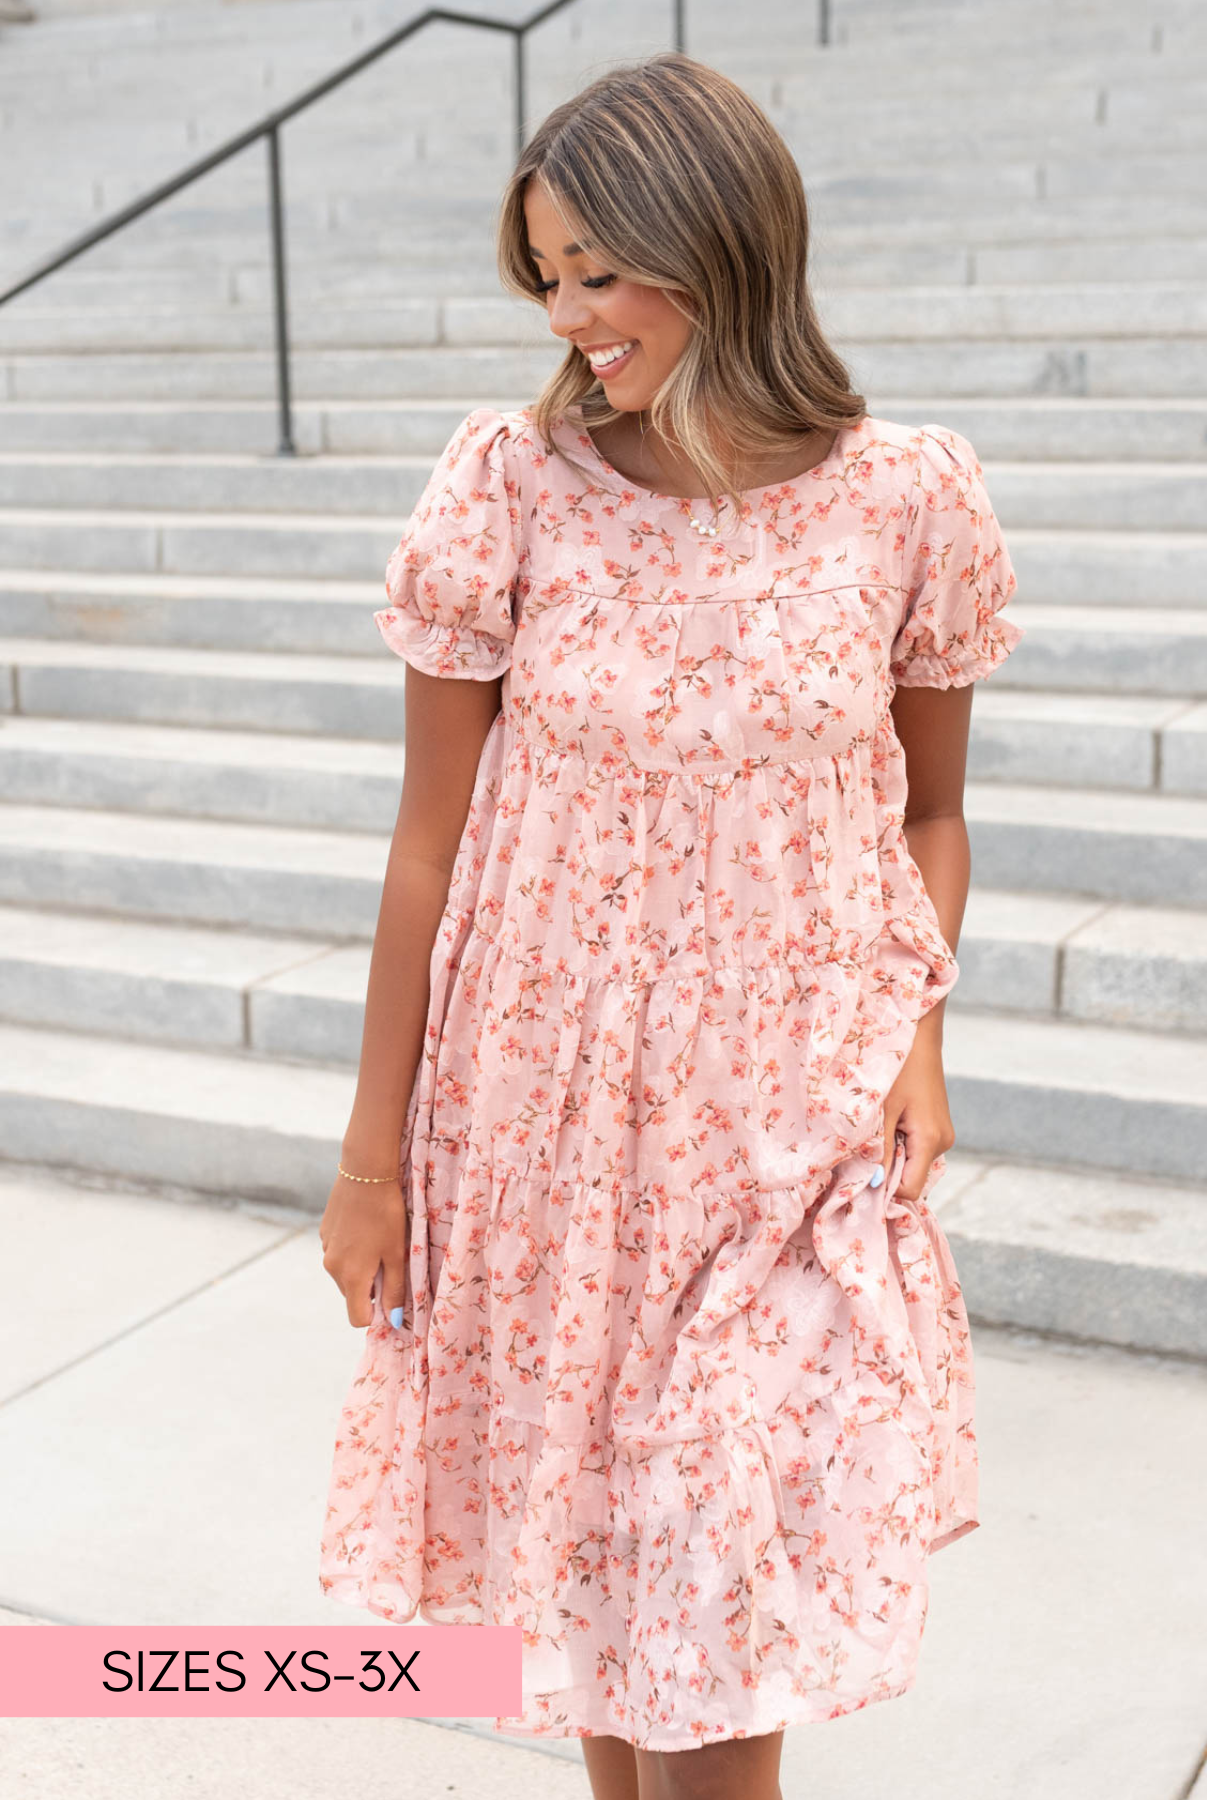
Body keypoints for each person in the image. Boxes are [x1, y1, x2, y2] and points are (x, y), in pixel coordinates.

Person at [318, 49, 1023, 1800]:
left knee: (714, 1620)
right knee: (614, 1620)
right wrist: (368, 1157)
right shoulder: (511, 484)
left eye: (597, 274)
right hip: (544, 1119)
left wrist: (912, 1043)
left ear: (716, 246)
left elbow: (925, 814)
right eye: (546, 280)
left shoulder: (904, 496)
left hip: (783, 1128)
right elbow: (428, 846)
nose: (570, 319)